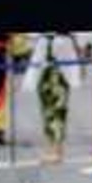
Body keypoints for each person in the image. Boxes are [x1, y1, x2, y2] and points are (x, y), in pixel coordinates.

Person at [24, 32, 85, 165]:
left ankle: (57, 151)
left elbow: (76, 53)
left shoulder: (64, 39)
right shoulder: (45, 39)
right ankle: (51, 149)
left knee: (57, 113)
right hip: (45, 78)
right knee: (48, 113)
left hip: (58, 78)